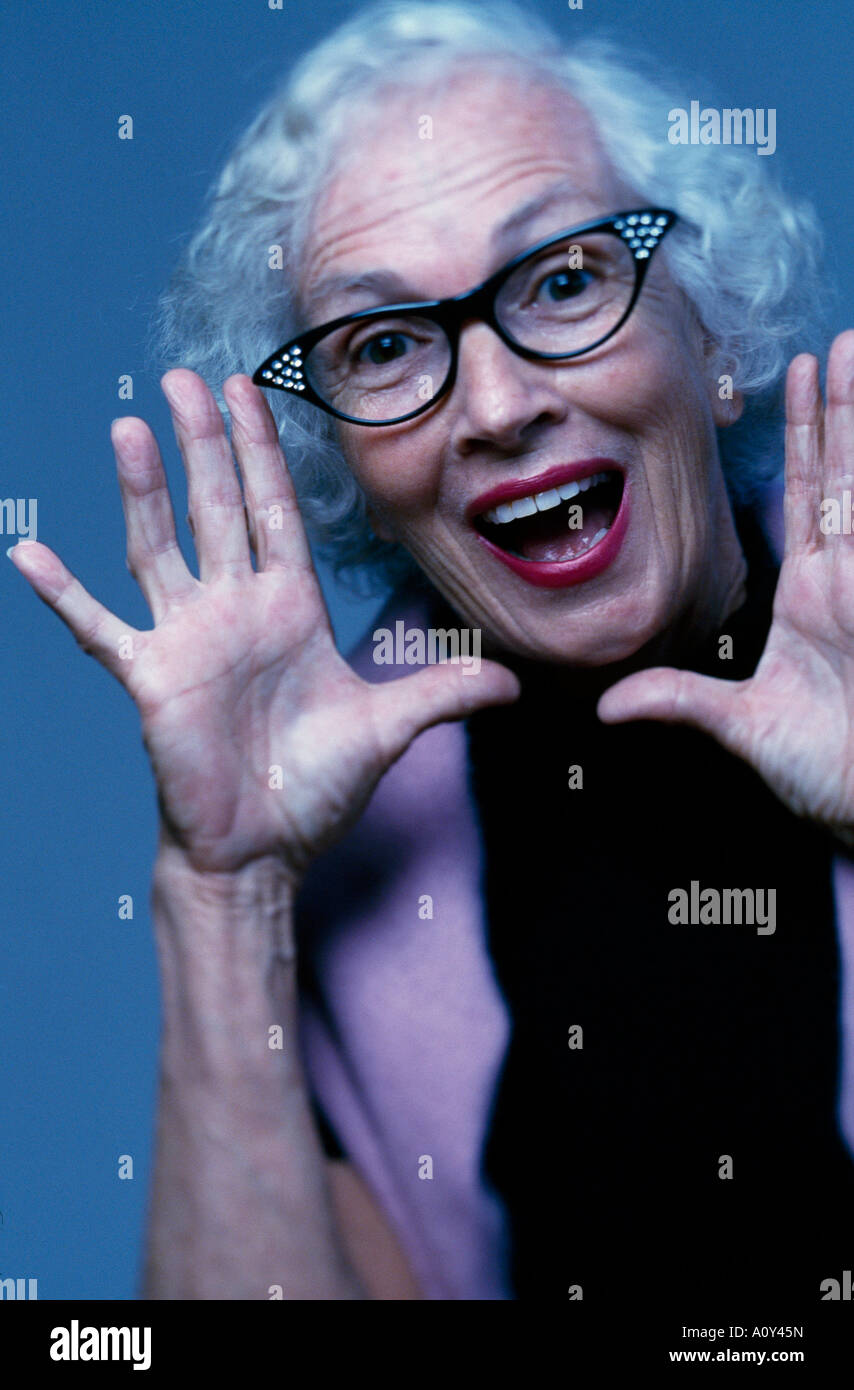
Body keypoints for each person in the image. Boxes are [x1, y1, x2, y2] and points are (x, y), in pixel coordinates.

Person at [9, 0, 854, 1304]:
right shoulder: (365, 844)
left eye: (564, 278)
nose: (501, 406)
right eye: (387, 344)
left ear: (712, 334)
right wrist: (226, 886)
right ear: (343, 458)